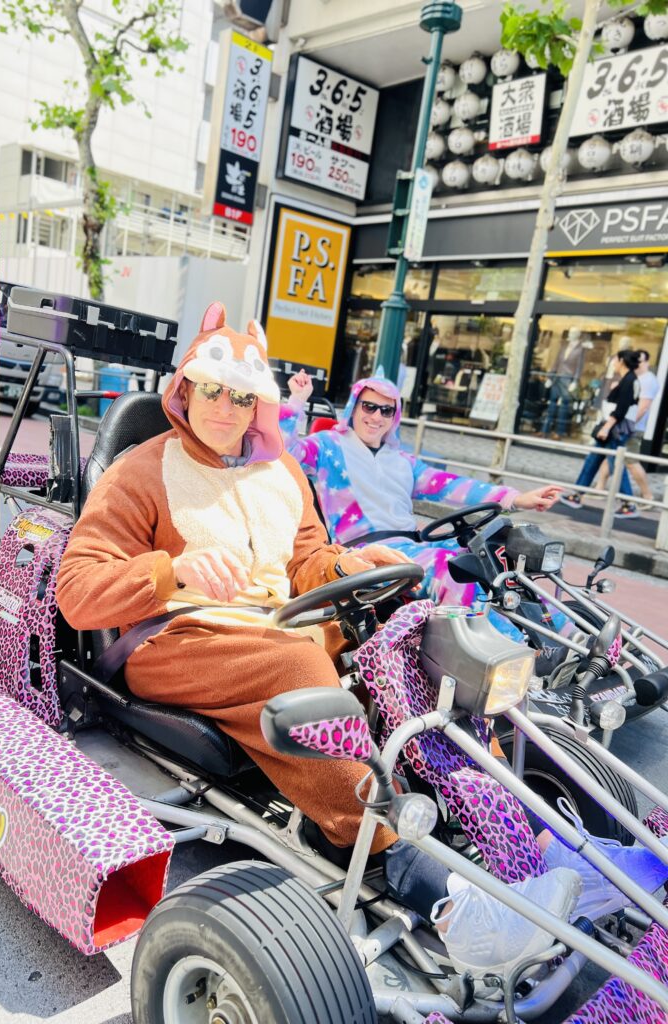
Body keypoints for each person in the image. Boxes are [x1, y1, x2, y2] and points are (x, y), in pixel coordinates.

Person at [54, 302, 635, 980]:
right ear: (184, 389)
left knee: (431, 642)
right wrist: (169, 569)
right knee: (299, 661)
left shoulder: (280, 473)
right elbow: (77, 587)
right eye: (211, 389)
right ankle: (438, 898)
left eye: (241, 395)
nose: (224, 406)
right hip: (176, 638)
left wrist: (349, 566)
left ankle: (543, 847)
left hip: (280, 625)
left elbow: (306, 561)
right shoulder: (140, 471)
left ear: (257, 404)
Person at [281, 369, 562, 638]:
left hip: (414, 545)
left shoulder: (403, 461)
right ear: (354, 406)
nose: (376, 416)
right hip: (366, 553)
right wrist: (297, 400)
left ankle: (565, 636)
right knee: (449, 570)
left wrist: (516, 498)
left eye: (386, 410)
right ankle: (512, 652)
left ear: (395, 416)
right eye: (369, 406)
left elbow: (452, 485)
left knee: (498, 558)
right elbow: (284, 451)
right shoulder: (327, 445)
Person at [560, 349, 641, 519]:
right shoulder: (627, 380)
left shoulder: (629, 380)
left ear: (622, 361)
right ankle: (577, 494)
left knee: (616, 465)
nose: (613, 363)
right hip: (613, 428)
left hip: (614, 429)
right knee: (594, 460)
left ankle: (629, 503)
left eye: (615, 360)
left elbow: (622, 408)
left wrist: (606, 427)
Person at [595, 349, 659, 506]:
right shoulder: (636, 378)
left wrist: (625, 426)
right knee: (610, 455)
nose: (638, 363)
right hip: (625, 426)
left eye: (641, 360)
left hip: (632, 428)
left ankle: (647, 497)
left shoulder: (648, 380)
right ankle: (599, 489)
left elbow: (643, 408)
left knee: (630, 461)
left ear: (647, 363)